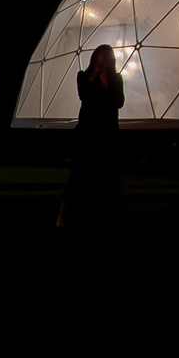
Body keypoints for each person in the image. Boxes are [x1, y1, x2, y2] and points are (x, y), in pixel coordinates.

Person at [57, 43, 124, 229]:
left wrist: (106, 83)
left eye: (106, 58)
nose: (103, 61)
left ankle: (97, 214)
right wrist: (95, 76)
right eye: (99, 57)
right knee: (78, 175)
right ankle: (63, 216)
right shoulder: (83, 76)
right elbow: (83, 95)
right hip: (88, 132)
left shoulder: (116, 79)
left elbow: (119, 102)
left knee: (104, 177)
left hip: (107, 134)